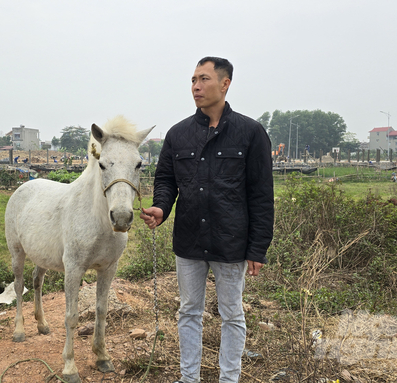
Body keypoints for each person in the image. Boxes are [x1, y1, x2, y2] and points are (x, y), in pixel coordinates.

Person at [140, 57, 274, 383]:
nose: (196, 87)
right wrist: (161, 207)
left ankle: (229, 379)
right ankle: (189, 378)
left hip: (231, 241)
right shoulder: (178, 134)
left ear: (225, 84)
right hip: (188, 238)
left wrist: (257, 248)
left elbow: (261, 195)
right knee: (188, 311)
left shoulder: (251, 133)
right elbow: (166, 180)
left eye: (204, 79)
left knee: (232, 315)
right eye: (193, 80)